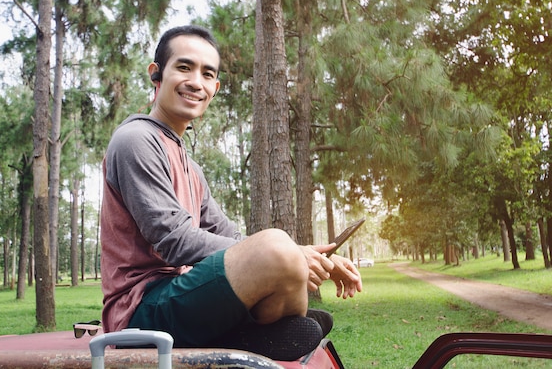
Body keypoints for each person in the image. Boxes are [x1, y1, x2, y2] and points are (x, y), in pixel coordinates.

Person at [100, 25, 362, 361]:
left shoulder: (190, 168)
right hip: (140, 315)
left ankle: (250, 334)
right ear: (156, 75)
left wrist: (312, 258)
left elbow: (233, 238)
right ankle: (249, 333)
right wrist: (292, 252)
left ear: (215, 87)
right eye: (184, 67)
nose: (196, 81)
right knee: (277, 248)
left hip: (182, 299)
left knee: (278, 252)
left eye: (207, 74)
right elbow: (174, 241)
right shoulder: (135, 139)